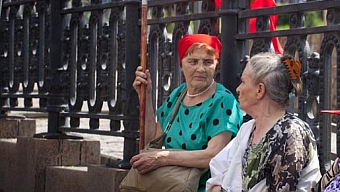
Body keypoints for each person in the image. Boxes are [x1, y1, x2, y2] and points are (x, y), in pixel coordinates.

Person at [130, 34, 244, 192]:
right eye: (193, 61)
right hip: (170, 183)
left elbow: (214, 154)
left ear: (216, 66)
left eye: (208, 62)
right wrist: (146, 97)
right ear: (181, 65)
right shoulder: (179, 95)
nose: (201, 68)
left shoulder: (223, 101)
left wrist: (164, 158)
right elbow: (151, 141)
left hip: (204, 187)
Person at [206, 52, 321, 192]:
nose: (238, 89)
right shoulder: (248, 129)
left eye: (243, 82)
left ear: (259, 90)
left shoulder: (291, 133)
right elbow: (218, 171)